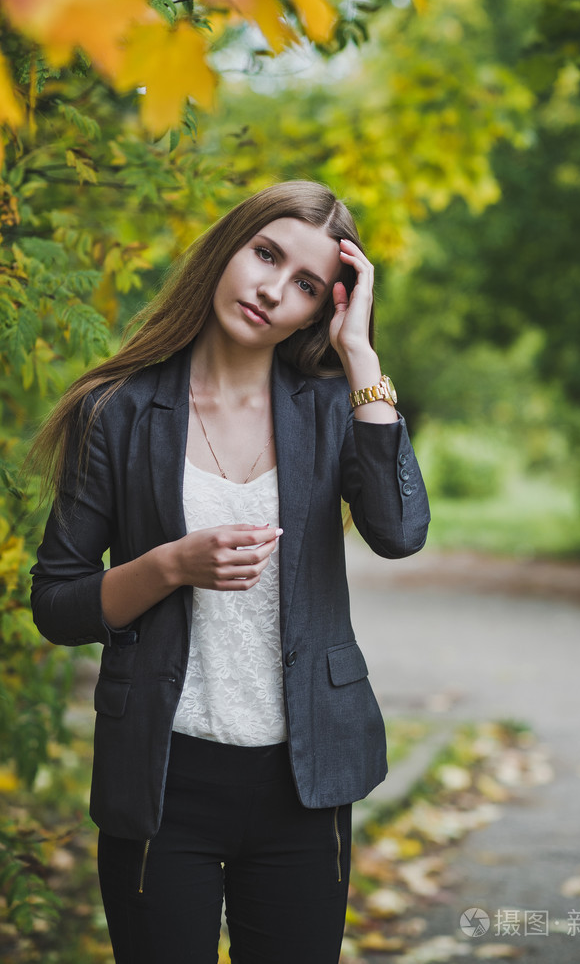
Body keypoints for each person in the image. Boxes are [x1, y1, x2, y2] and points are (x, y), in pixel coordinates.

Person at [30, 180, 430, 964]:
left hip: (304, 781)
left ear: (322, 309)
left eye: (307, 285)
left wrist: (361, 357)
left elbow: (399, 530)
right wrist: (171, 564)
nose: (273, 289)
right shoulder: (114, 410)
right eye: (266, 253)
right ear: (229, 247)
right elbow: (57, 602)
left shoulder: (329, 408)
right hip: (162, 777)